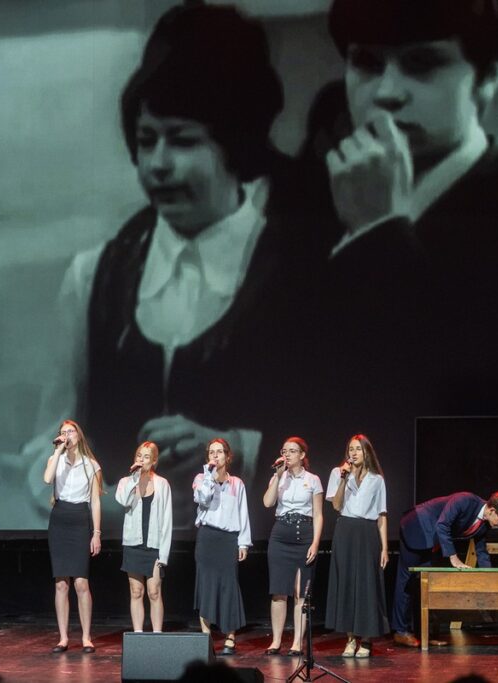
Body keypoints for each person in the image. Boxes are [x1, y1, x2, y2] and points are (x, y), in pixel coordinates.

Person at [300, 0, 498, 511]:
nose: (386, 93)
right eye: (366, 63)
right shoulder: (311, 207)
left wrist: (382, 233)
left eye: (422, 64)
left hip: (454, 539)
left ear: (489, 74)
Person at [56, 2, 330, 539]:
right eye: (146, 139)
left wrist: (240, 450)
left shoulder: (307, 271)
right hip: (123, 568)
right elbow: (50, 442)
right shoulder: (94, 278)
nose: (157, 163)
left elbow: (344, 435)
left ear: (234, 146)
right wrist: (112, 509)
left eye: (182, 141)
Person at [391, 491, 498, 647]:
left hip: (431, 539)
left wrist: (488, 577)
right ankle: (400, 631)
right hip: (416, 526)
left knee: (425, 586)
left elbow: (481, 551)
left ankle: (423, 634)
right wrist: (453, 557)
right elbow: (442, 525)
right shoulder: (464, 500)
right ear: (492, 510)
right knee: (407, 581)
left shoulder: (483, 524)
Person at [42, 419, 103, 653]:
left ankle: (87, 637)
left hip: (80, 519)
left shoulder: (91, 465)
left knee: (81, 582)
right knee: (61, 584)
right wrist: (57, 451)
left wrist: (96, 533)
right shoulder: (54, 460)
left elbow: (96, 502)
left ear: (79, 435)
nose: (67, 435)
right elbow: (47, 479)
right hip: (59, 519)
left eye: (71, 431)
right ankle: (63, 637)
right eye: (63, 432)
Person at [325, 434, 389, 658]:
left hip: (367, 533)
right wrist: (344, 478)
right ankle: (350, 638)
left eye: (358, 449)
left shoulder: (376, 479)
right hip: (346, 531)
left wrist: (384, 548)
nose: (353, 453)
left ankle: (367, 639)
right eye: (350, 449)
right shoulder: (337, 473)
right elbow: (336, 504)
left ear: (366, 452)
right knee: (347, 583)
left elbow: (381, 515)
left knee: (367, 585)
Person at [262, 437, 324, 656]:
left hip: (304, 535)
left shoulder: (313, 479)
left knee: (300, 593)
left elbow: (317, 514)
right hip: (280, 535)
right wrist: (277, 477)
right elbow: (268, 503)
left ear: (302, 455)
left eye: (292, 451)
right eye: (284, 451)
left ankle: (297, 642)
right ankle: (276, 641)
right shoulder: (279, 477)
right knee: (279, 592)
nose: (287, 455)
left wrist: (315, 543)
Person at [192, 438, 252, 656]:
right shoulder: (201, 478)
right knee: (206, 585)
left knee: (228, 586)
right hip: (207, 538)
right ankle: (206, 636)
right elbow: (203, 500)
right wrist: (209, 477)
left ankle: (230, 636)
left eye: (219, 452)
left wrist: (243, 541)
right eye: (211, 452)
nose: (215, 456)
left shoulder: (237, 483)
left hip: (228, 540)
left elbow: (243, 514)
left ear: (228, 456)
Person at [115, 441, 172, 633]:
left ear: (154, 461)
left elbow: (167, 520)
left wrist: (163, 555)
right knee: (136, 591)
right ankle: (138, 635)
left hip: (155, 545)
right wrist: (134, 479)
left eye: (146, 456)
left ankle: (157, 634)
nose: (142, 459)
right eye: (139, 455)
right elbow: (124, 501)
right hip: (133, 544)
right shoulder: (126, 482)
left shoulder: (162, 484)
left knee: (154, 591)